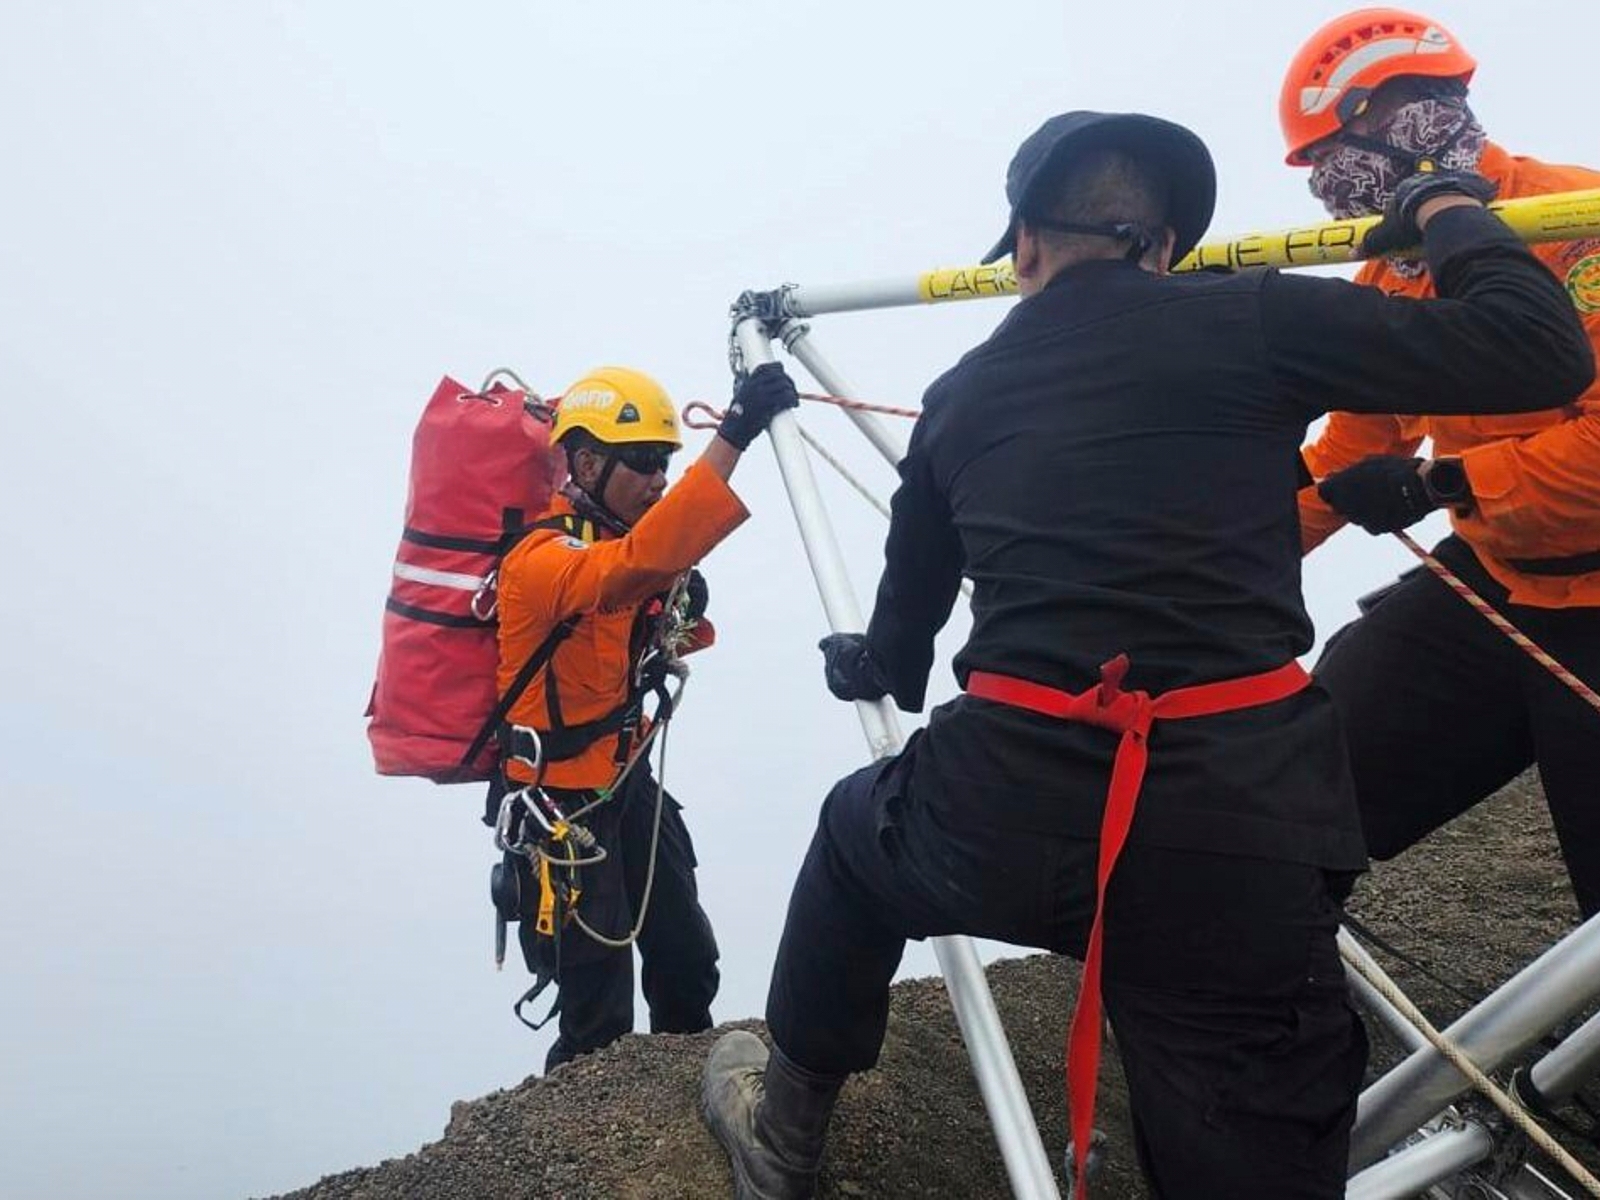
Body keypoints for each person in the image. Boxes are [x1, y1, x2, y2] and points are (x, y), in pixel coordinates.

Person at [701, 109, 1593, 1199]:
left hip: (998, 816)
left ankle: (783, 1133)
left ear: (1022, 245)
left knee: (851, 837)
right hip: (1231, 835)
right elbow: (1538, 349)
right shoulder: (1253, 315)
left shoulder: (957, 398)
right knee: (1245, 1120)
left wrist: (864, 661)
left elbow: (899, 652)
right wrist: (1447, 204)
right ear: (1166, 246)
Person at [1282, 9, 1600, 919]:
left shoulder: (1577, 223)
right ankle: (1279, 1016)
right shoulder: (1398, 271)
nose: (1332, 190)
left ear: (1407, 121)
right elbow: (1354, 449)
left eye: (1336, 158)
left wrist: (1440, 486)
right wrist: (1207, 556)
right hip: (1498, 583)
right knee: (1297, 787)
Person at [491, 362, 797, 1072]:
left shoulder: (613, 553)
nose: (659, 478)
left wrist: (681, 604)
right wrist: (734, 435)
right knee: (597, 1011)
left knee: (686, 961)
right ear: (588, 463)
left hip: (625, 784)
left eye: (665, 462)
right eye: (643, 464)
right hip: (558, 807)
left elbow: (651, 600)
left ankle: (688, 1109)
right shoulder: (543, 560)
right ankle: (584, 1144)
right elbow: (628, 569)